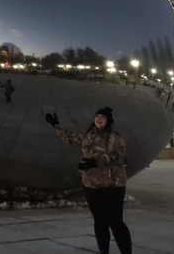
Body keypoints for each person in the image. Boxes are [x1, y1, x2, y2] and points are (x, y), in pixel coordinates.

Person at [46, 107, 132, 254]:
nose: (99, 119)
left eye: (103, 117)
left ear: (108, 120)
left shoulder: (114, 136)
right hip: (91, 185)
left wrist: (94, 163)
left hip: (111, 185)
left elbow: (117, 156)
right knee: (99, 222)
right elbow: (71, 138)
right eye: (97, 116)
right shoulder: (89, 134)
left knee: (115, 222)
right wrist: (56, 125)